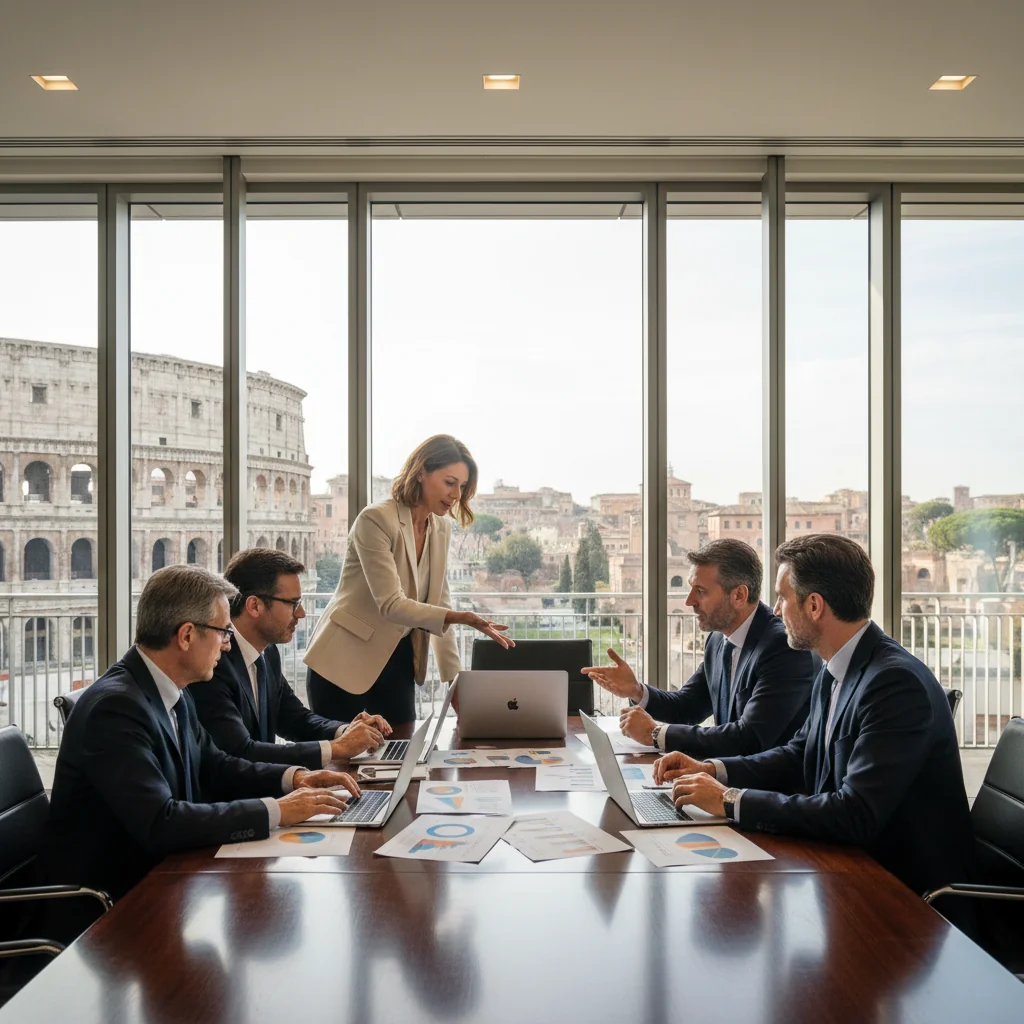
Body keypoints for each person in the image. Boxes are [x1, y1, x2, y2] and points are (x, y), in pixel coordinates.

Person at [654, 534, 974, 898]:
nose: (774, 610)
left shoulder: (895, 684)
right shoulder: (836, 665)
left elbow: (854, 812)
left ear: (815, 606)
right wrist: (712, 770)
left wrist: (730, 799)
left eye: (782, 597)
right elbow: (798, 753)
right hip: (844, 867)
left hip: (906, 896)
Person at [44, 565, 361, 906]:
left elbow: (216, 764)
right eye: (224, 632)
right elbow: (160, 822)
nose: (228, 646)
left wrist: (296, 779)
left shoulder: (169, 689)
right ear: (186, 635)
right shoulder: (116, 708)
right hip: (109, 905)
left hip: (167, 879)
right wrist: (277, 811)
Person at [303, 434, 513, 724]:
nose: (456, 495)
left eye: (462, 487)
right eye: (450, 482)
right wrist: (460, 617)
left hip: (399, 660)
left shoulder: (441, 528)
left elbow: (439, 600)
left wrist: (455, 683)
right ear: (421, 472)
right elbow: (391, 604)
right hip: (342, 661)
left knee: (400, 757)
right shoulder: (375, 519)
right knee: (343, 765)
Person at [584, 540, 815, 757]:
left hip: (768, 790)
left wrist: (655, 734)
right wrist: (636, 690)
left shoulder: (783, 646)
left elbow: (749, 737)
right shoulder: (718, 638)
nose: (689, 601)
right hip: (726, 776)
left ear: (739, 595)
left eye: (700, 591)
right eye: (690, 589)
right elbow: (689, 707)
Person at [190, 548, 391, 769]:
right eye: (293, 604)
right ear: (254, 606)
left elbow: (294, 718)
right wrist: (337, 748)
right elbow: (240, 751)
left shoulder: (268, 652)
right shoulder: (213, 662)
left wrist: (345, 731)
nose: (302, 613)